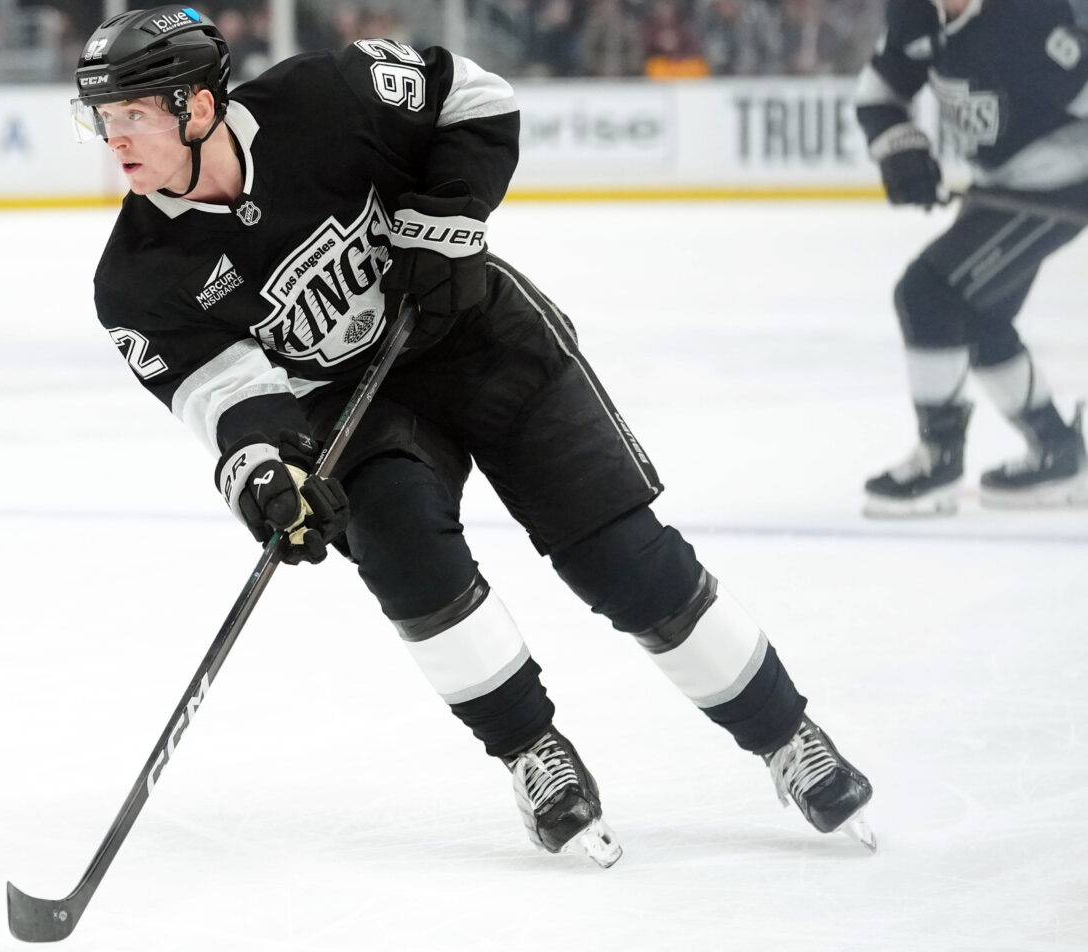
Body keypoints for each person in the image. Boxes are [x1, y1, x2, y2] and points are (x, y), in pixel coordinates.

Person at [71, 5, 874, 865]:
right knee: (408, 558)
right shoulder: (138, 280)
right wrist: (269, 472)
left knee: (621, 558)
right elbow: (226, 395)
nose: (114, 140)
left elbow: (474, 98)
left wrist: (443, 225)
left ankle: (786, 736)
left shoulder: (325, 99)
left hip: (482, 341)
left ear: (197, 108)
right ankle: (534, 753)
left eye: (132, 115)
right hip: (356, 406)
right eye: (100, 120)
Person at [856, 0, 1088, 516]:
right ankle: (1057, 449)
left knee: (928, 294)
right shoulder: (915, 14)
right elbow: (878, 94)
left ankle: (939, 458)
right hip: (1001, 187)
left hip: (1064, 188)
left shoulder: (1031, 18)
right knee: (977, 317)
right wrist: (900, 146)